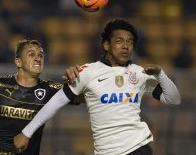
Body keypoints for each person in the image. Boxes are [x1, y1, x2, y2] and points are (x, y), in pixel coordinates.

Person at [14, 19, 181, 155]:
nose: (125, 46)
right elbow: (55, 103)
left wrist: (160, 74)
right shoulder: (87, 73)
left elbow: (174, 99)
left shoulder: (139, 74)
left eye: (130, 42)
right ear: (106, 45)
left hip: (138, 148)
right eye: (119, 41)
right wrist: (26, 133)